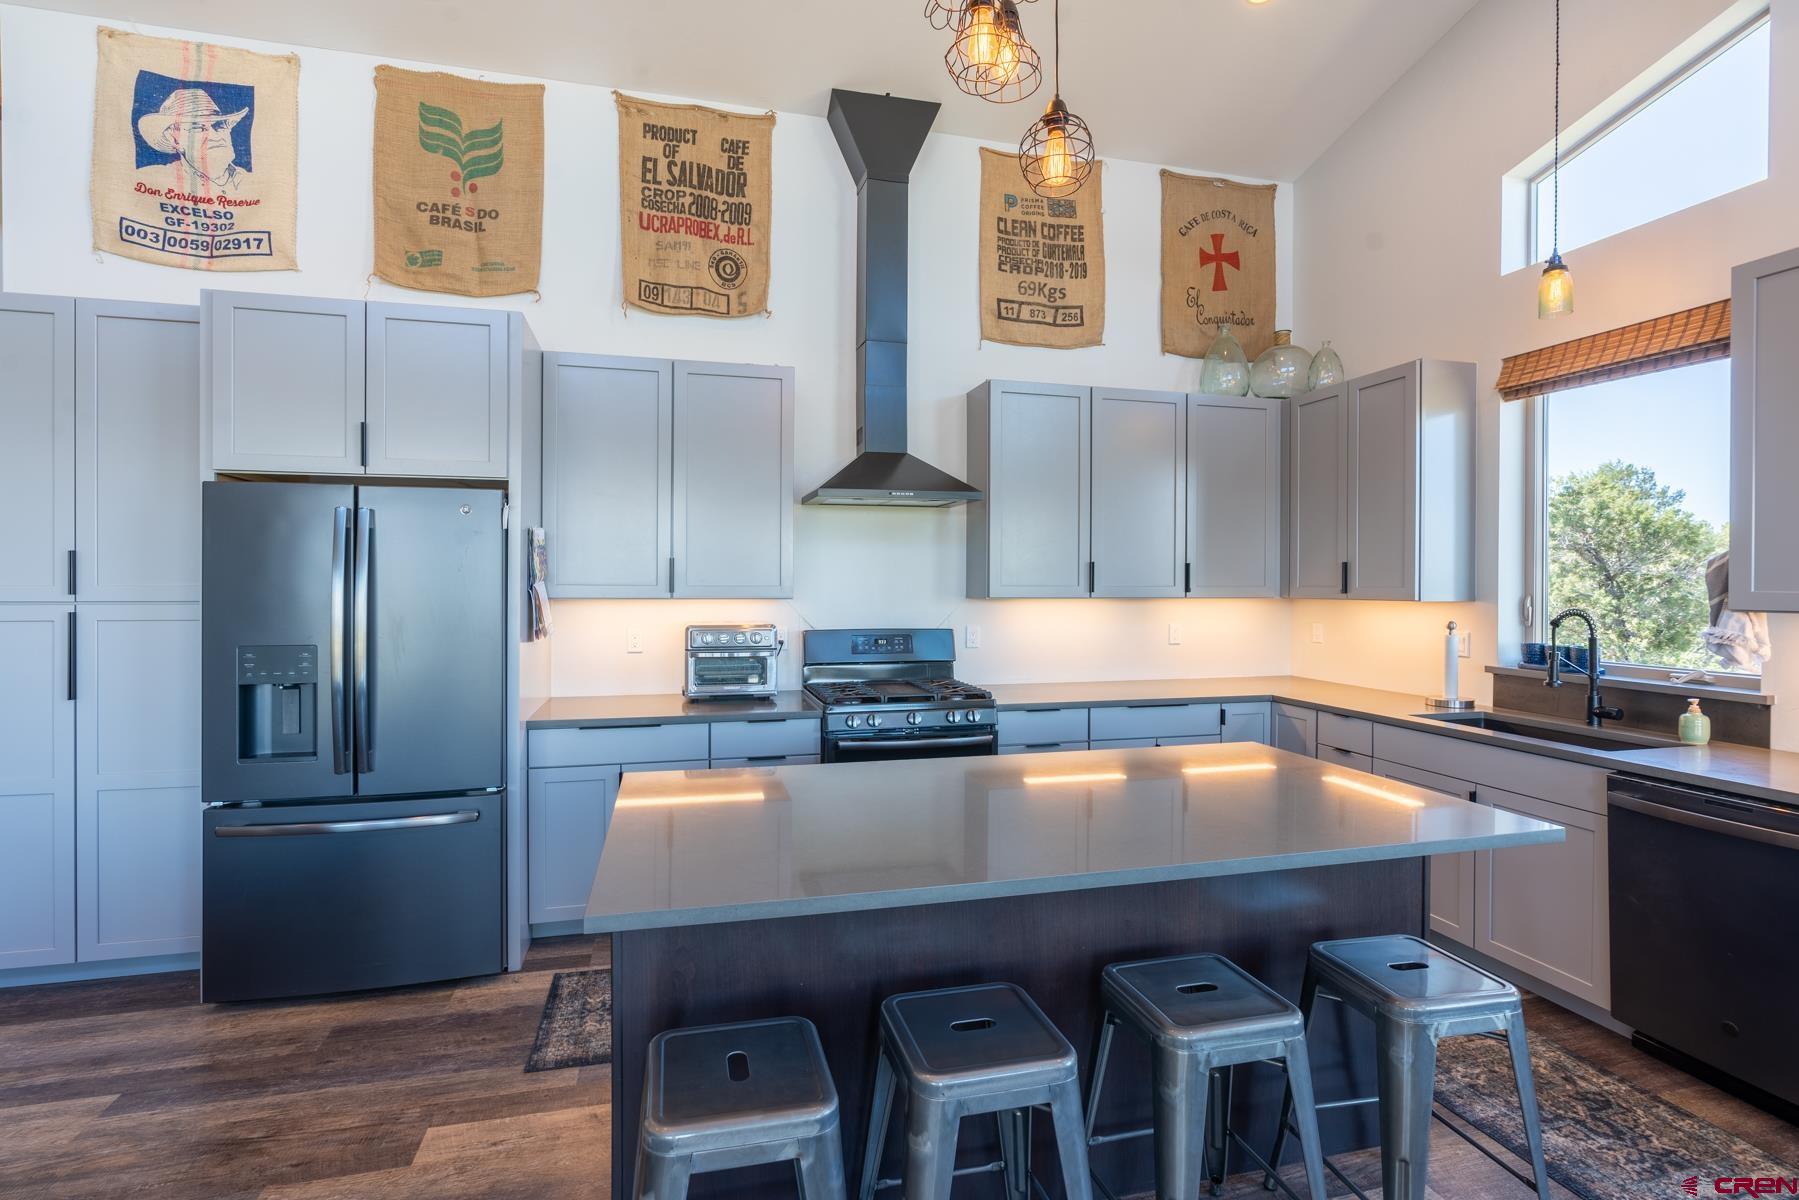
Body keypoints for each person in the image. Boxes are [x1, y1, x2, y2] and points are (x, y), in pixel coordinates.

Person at [136, 87, 249, 194]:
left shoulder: (252, 182)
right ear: (174, 138)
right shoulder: (152, 179)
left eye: (219, 126)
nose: (215, 136)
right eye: (197, 128)